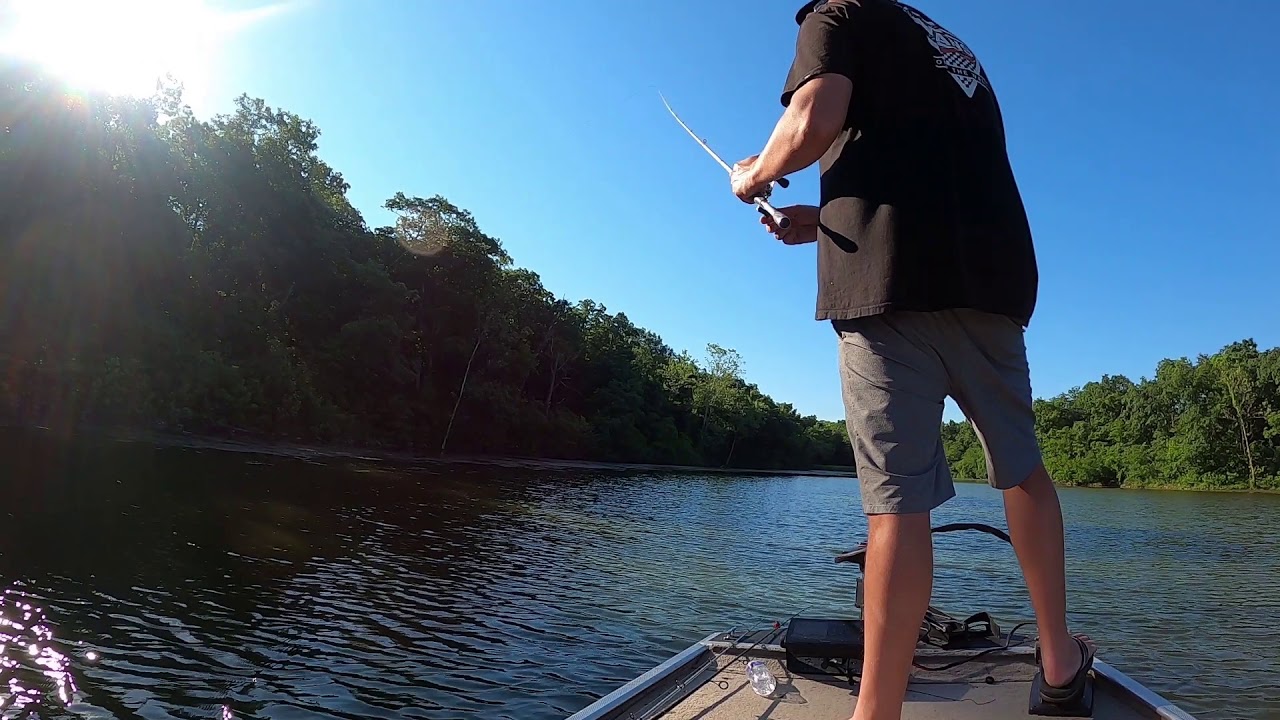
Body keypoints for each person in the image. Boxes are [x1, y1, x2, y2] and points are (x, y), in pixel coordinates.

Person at [727, 1, 1096, 718]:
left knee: (897, 510)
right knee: (1022, 471)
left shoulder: (832, 15)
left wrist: (756, 172)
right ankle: (1058, 664)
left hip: (887, 293)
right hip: (989, 287)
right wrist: (824, 220)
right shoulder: (950, 45)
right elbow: (921, 164)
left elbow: (813, 120)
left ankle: (877, 713)